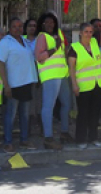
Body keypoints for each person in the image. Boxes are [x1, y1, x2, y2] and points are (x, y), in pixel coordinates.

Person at [0, 18, 38, 152]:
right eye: (14, 26)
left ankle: (24, 140)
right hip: (13, 84)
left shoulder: (25, 41)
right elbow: (1, 64)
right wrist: (6, 85)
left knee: (25, 114)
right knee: (10, 114)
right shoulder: (5, 42)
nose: (17, 28)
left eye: (20, 26)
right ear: (9, 28)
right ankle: (8, 142)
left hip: (26, 82)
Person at [35, 12, 73, 149]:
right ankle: (48, 138)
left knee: (66, 103)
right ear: (42, 24)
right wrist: (55, 47)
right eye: (47, 22)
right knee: (48, 106)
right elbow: (39, 57)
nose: (50, 24)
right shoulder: (42, 37)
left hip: (62, 74)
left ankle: (64, 132)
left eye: (52, 22)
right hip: (50, 75)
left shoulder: (59, 35)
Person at [68, 24, 101, 148]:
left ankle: (93, 137)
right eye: (86, 32)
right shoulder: (75, 48)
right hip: (83, 86)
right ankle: (81, 139)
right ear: (80, 33)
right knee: (83, 113)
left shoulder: (94, 43)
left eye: (90, 32)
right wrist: (74, 84)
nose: (89, 34)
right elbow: (71, 68)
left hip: (97, 84)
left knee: (95, 113)